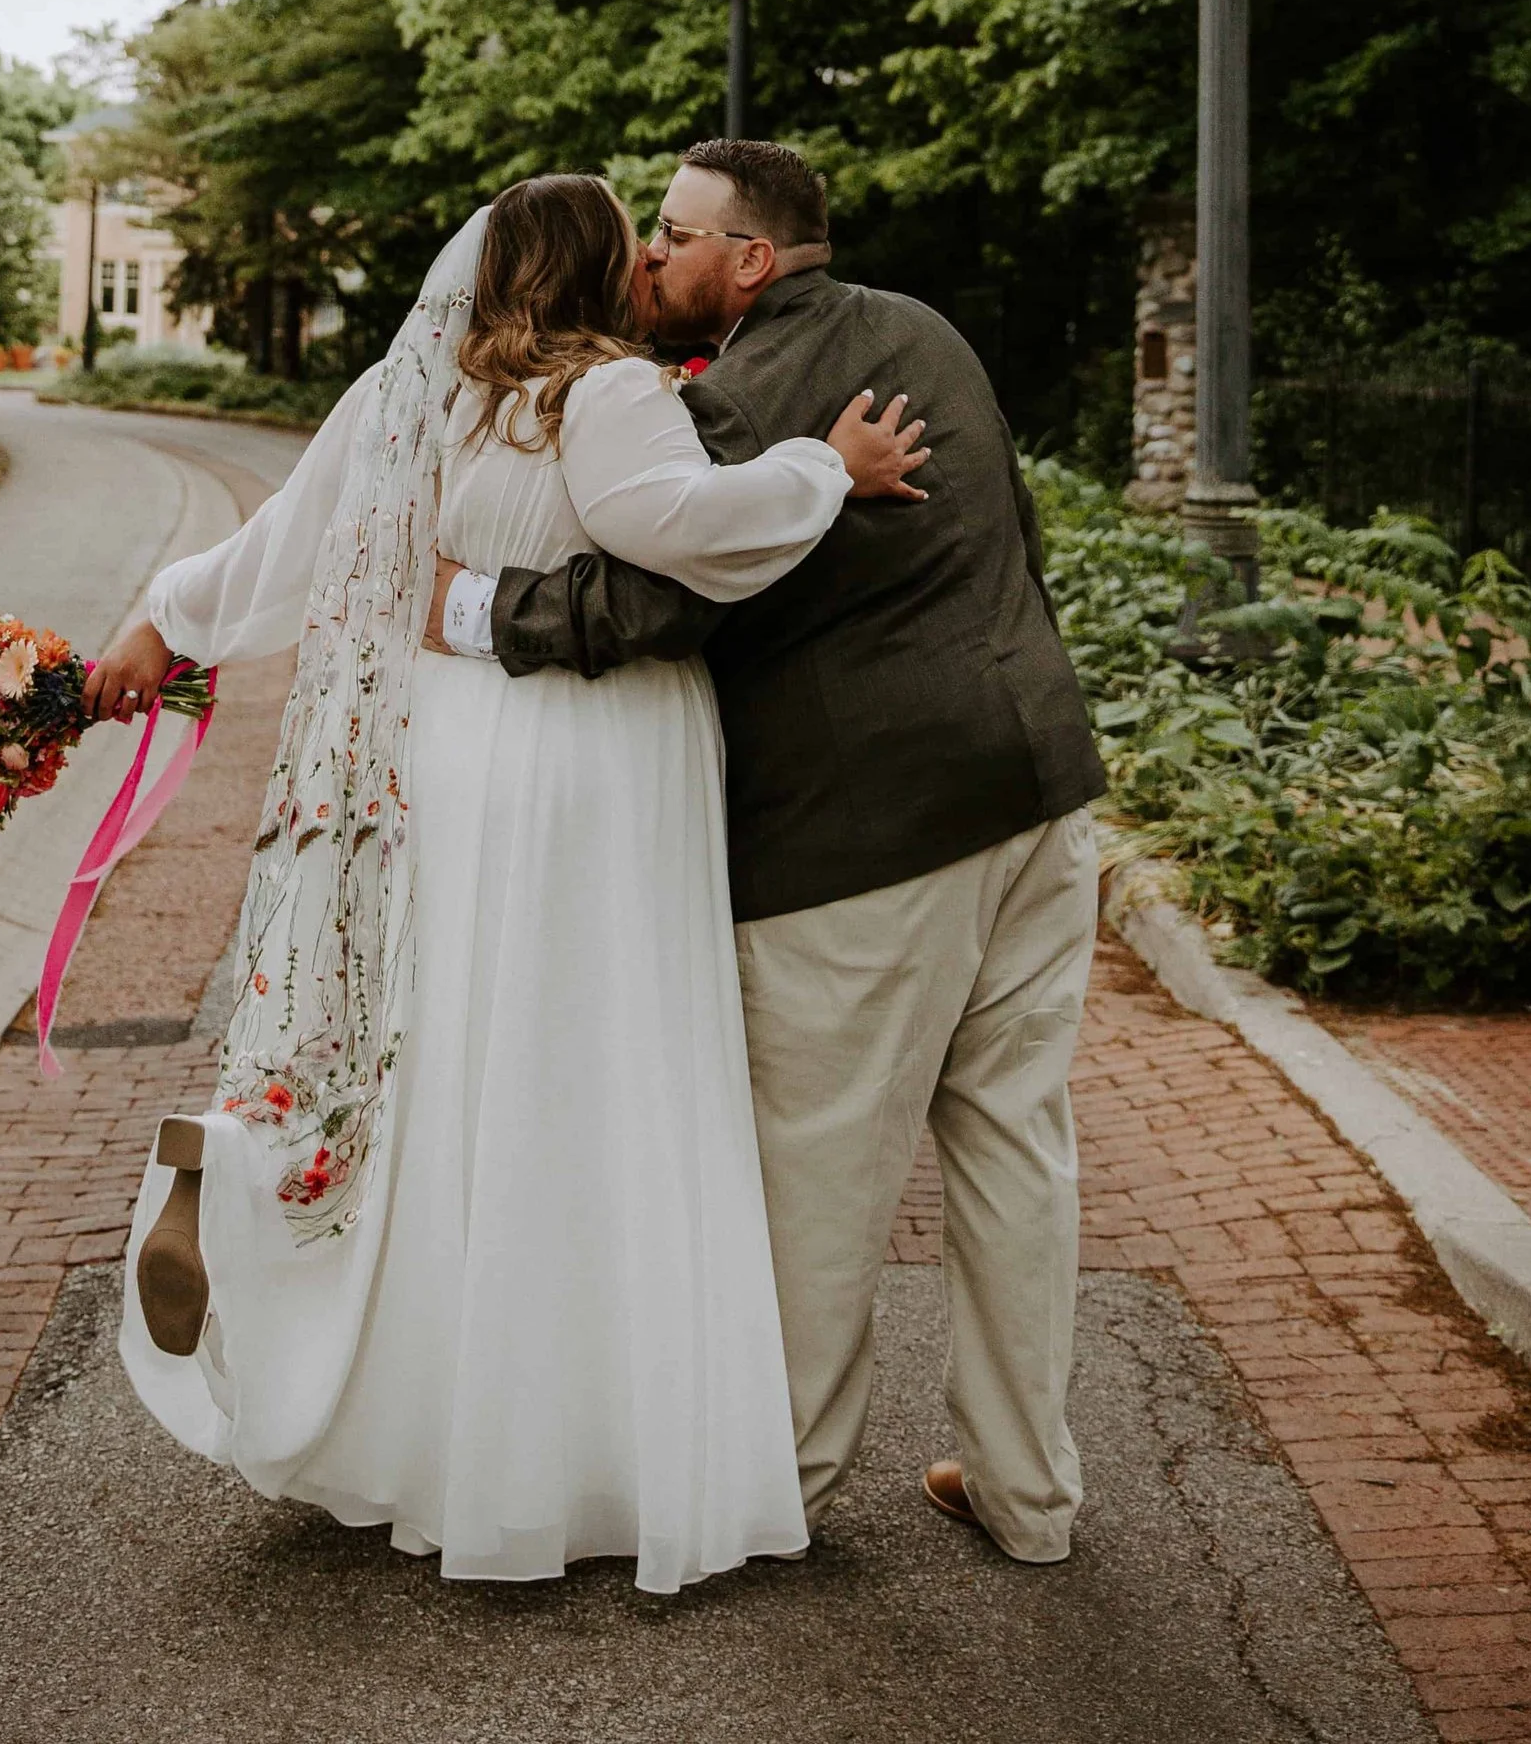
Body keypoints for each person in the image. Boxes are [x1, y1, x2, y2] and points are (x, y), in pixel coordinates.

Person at [83, 173, 928, 1595]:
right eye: (636, 245)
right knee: (598, 1076)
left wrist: (159, 623)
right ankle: (590, 1444)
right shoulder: (605, 394)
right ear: (597, 272)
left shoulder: (417, 395)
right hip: (594, 771)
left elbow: (281, 552)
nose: (656, 264)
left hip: (456, 764)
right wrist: (824, 470)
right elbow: (689, 529)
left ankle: (441, 1421)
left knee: (467, 1069)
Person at [426, 138, 1105, 1565]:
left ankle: (776, 1484)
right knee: (1014, 1148)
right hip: (1041, 789)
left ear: (749, 260)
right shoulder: (927, 328)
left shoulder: (740, 396)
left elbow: (661, 600)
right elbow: (1016, 539)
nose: (645, 258)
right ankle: (1029, 1493)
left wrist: (483, 609)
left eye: (670, 233)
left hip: (866, 835)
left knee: (821, 1168)